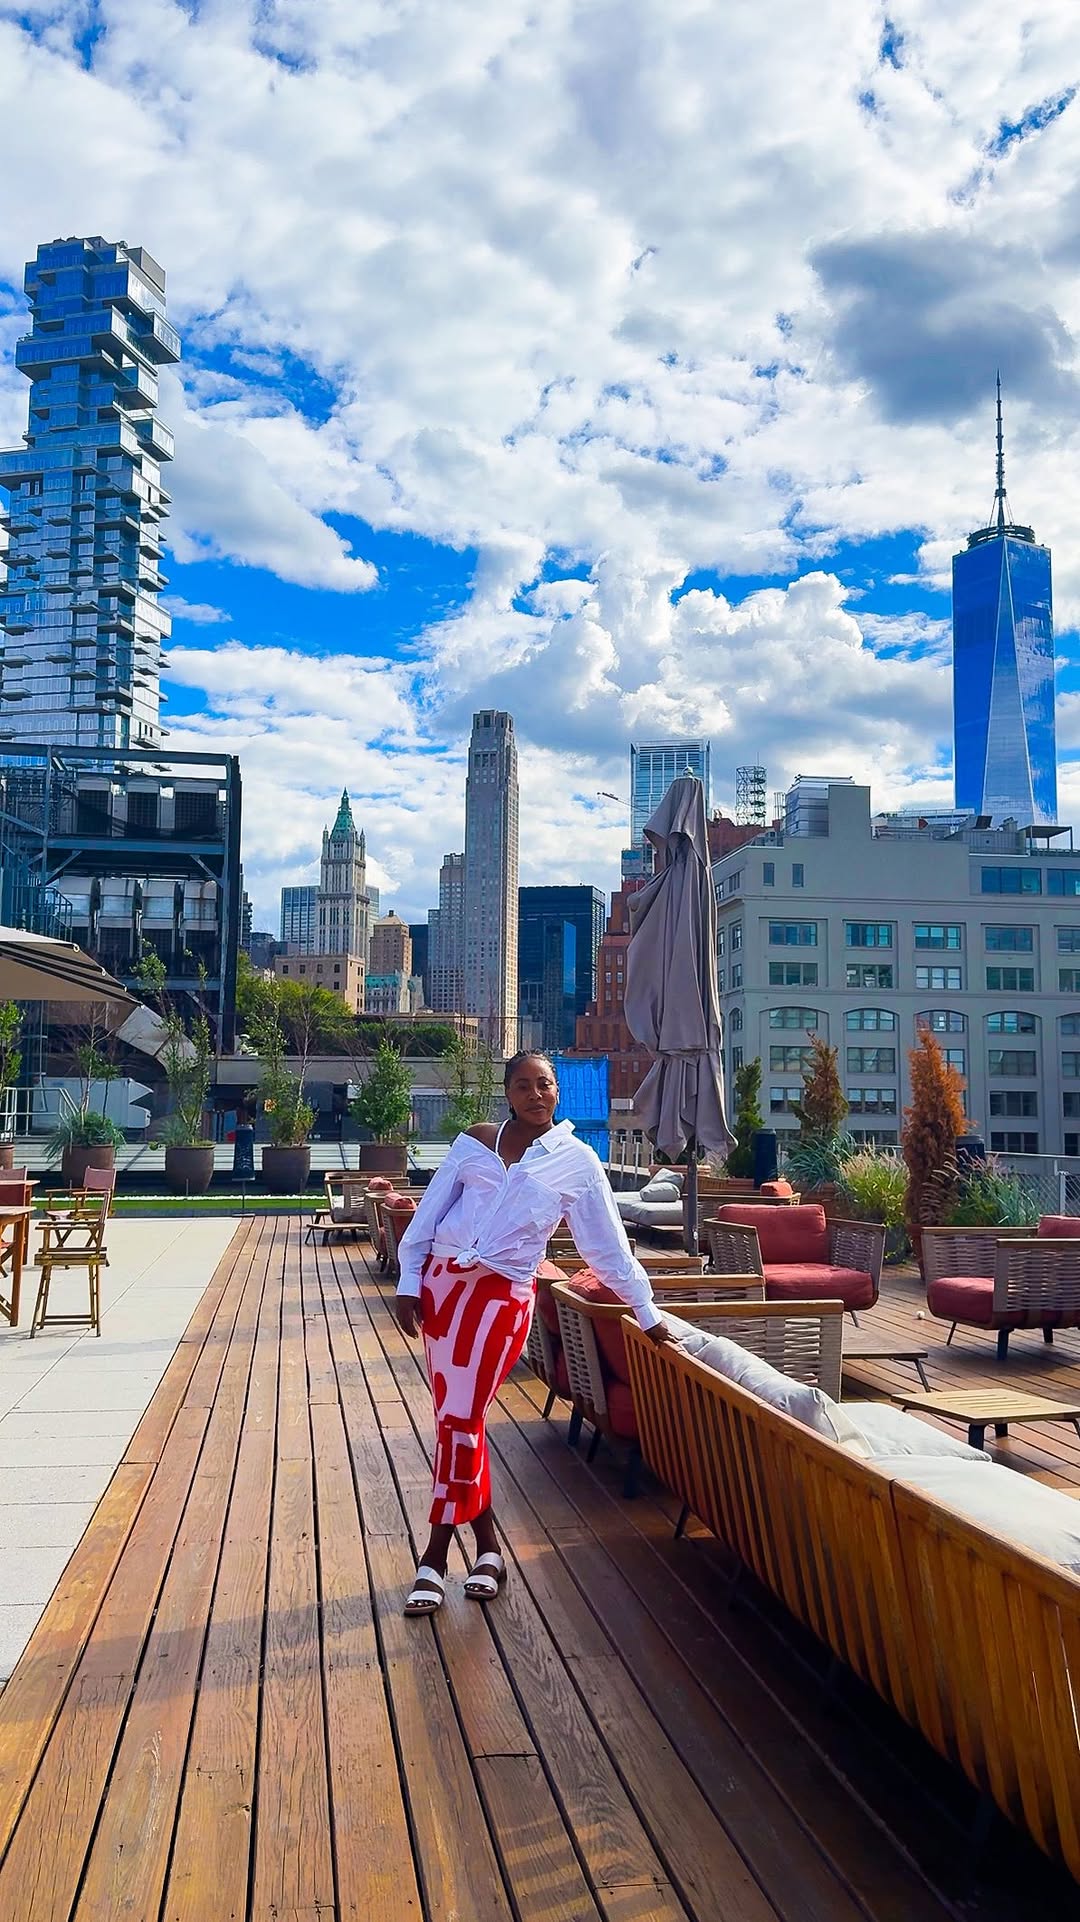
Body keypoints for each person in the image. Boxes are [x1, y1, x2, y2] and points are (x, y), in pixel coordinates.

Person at [394, 1049, 670, 1615]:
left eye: (543, 1084)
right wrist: (408, 1280)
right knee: (458, 1423)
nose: (534, 1094)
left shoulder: (577, 1161)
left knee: (460, 1419)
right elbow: (427, 1216)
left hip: (503, 1299)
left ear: (557, 1090)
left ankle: (434, 1555)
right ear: (508, 1093)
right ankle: (489, 1550)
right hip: (443, 1293)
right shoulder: (474, 1142)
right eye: (522, 1085)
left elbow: (607, 1248)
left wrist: (647, 1312)